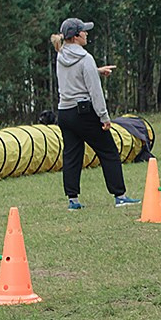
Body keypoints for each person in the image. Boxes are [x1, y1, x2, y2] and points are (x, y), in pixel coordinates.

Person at [52, 17, 131, 209]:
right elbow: (95, 92)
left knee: (72, 155)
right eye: (84, 31)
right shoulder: (85, 58)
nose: (87, 34)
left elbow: (75, 74)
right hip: (84, 113)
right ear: (77, 36)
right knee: (109, 151)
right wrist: (104, 117)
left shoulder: (61, 54)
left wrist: (96, 71)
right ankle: (120, 196)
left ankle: (73, 200)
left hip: (64, 113)